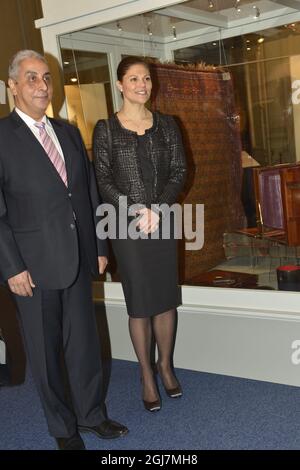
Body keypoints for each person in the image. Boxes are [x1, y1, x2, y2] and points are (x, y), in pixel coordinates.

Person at [0, 50, 128, 450]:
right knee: (46, 354)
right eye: (32, 78)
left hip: (77, 259)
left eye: (46, 78)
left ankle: (92, 416)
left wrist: (100, 246)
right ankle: (63, 430)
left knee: (84, 346)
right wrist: (11, 267)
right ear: (13, 87)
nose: (42, 86)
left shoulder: (69, 132)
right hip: (32, 269)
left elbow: (88, 194)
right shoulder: (1, 137)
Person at [93, 56, 187, 412]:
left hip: (162, 220)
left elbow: (179, 170)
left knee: (164, 298)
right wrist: (135, 209)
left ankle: (165, 365)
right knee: (140, 302)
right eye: (133, 79)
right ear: (120, 85)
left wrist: (158, 208)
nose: (142, 85)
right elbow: (102, 179)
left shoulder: (167, 125)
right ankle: (146, 374)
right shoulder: (105, 128)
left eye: (146, 78)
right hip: (125, 224)